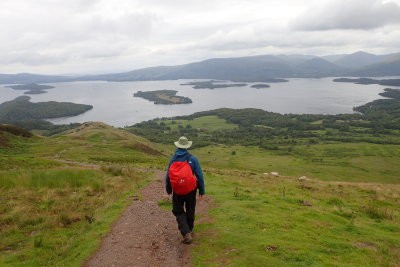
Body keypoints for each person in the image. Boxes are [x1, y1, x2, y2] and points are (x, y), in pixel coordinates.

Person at [165, 136, 205, 244]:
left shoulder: (173, 159)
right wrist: (201, 190)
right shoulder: (193, 158)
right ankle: (189, 230)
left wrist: (168, 190)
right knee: (190, 208)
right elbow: (199, 175)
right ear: (187, 146)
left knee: (178, 210)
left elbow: (168, 176)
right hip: (191, 189)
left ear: (178, 145)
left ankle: (186, 232)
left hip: (177, 190)